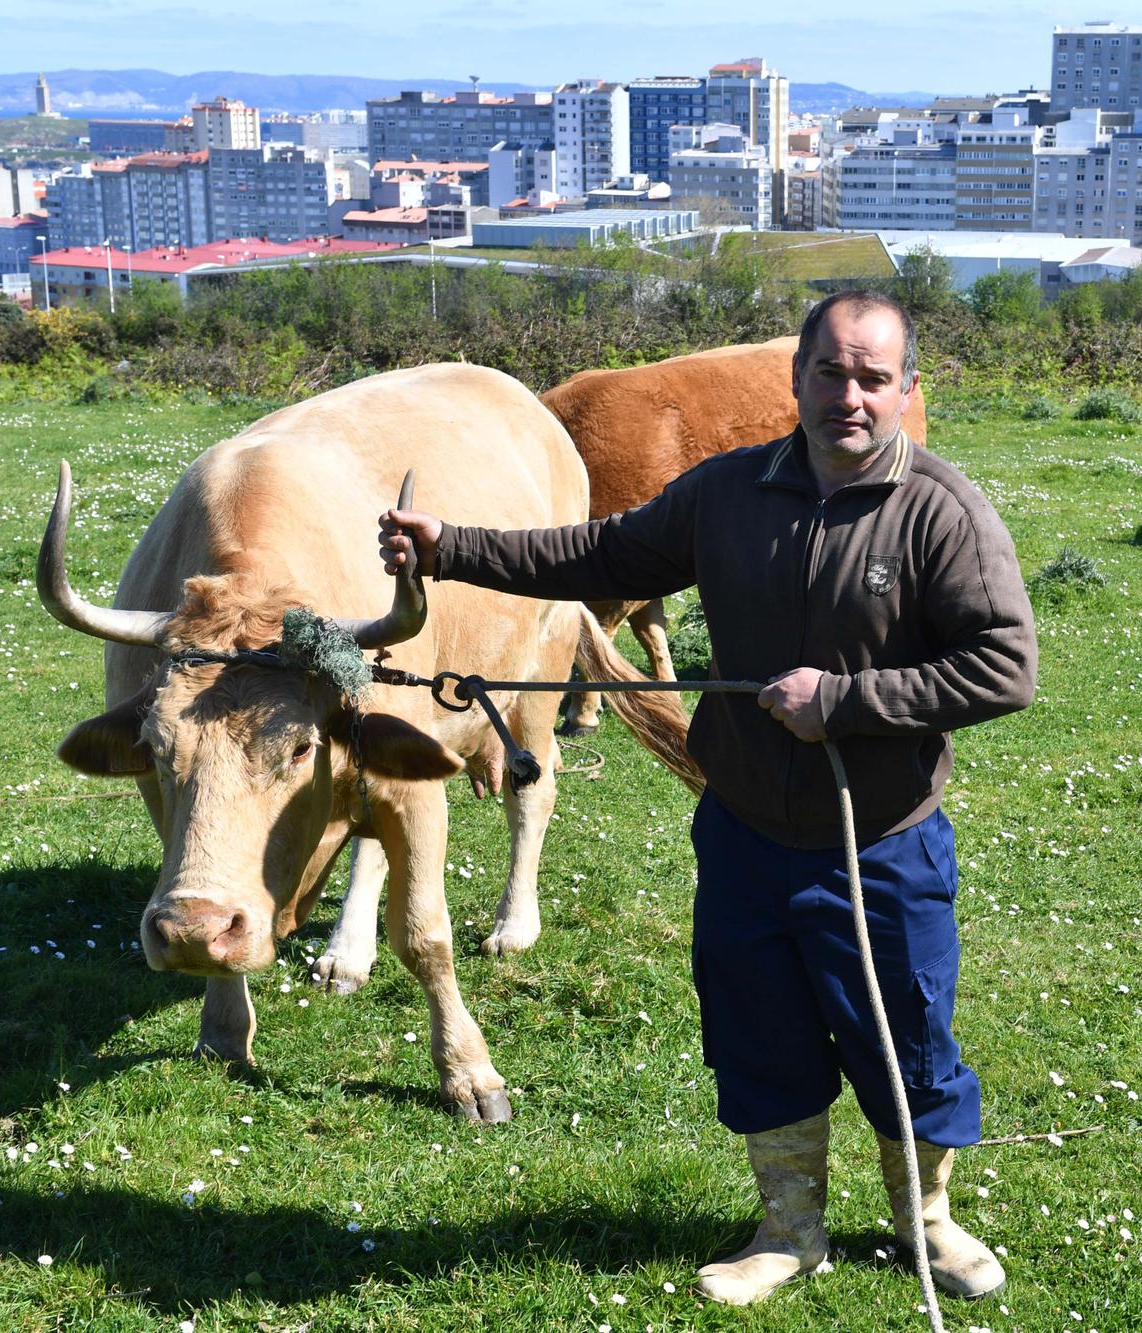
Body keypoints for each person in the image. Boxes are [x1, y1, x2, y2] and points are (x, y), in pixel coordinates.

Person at [378, 291, 1037, 1306]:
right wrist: (450, 546)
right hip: (743, 834)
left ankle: (928, 1221)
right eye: (830, 372)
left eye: (872, 378)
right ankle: (787, 1230)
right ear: (796, 379)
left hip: (880, 841)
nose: (849, 396)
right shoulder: (725, 492)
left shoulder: (941, 511)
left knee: (905, 1034)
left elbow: (1002, 667)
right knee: (757, 1029)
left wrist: (850, 701)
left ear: (905, 391)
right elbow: (594, 556)